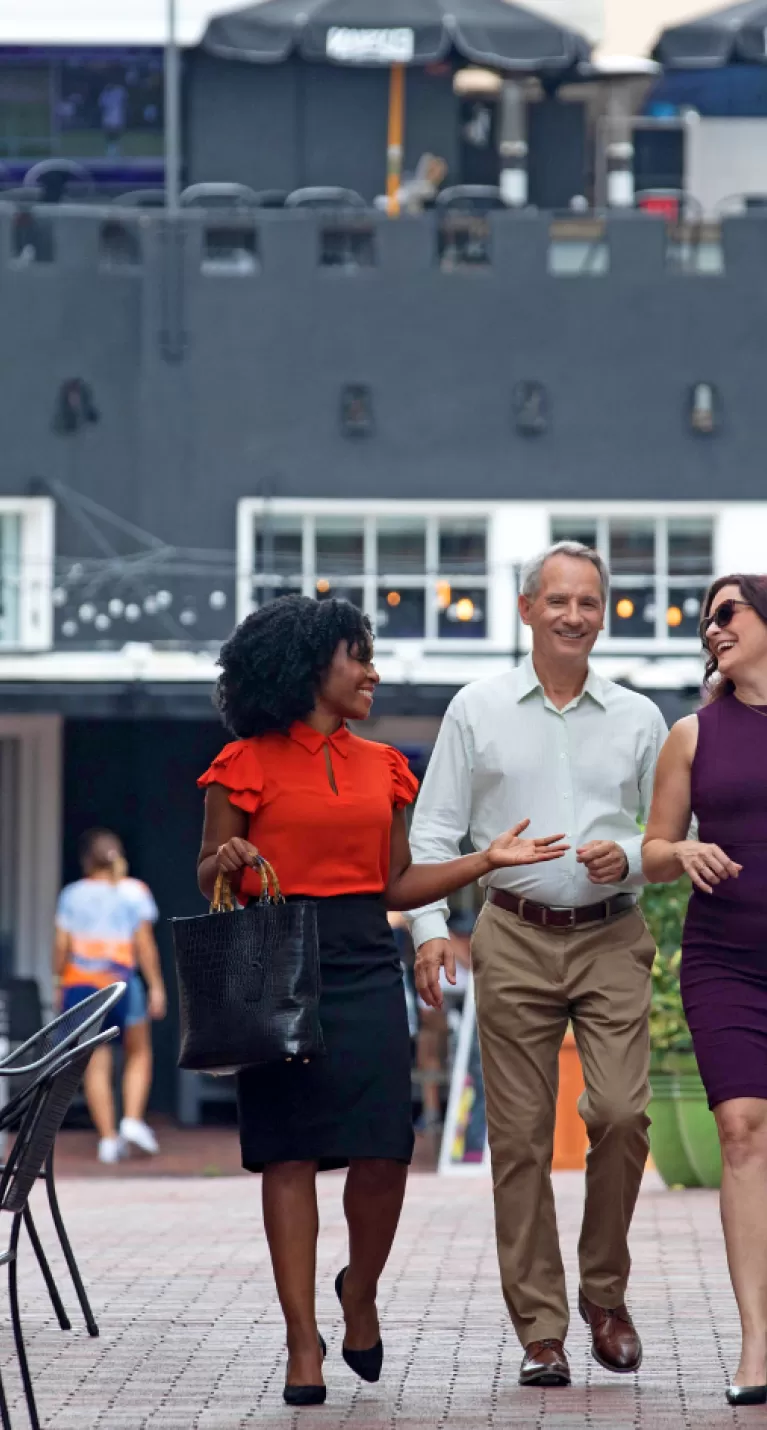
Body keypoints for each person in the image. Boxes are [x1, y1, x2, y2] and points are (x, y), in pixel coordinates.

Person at [196, 594, 569, 1408]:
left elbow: (396, 882)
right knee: (287, 1153)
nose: (372, 671)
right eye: (357, 656)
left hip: (365, 957)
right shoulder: (243, 764)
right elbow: (206, 875)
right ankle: (302, 1343)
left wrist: (484, 861)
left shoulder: (385, 767)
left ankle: (357, 1290)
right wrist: (227, 858)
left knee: (382, 1152)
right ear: (308, 668)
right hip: (275, 957)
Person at [409, 541, 668, 1388]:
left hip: (610, 935)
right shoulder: (475, 709)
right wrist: (430, 931)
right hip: (511, 935)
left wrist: (624, 857)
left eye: (587, 602)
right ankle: (541, 1330)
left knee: (622, 1115)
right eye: (555, 601)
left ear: (603, 612)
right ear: (525, 610)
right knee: (517, 1142)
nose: (572, 616)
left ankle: (605, 1294)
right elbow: (430, 835)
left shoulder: (638, 717)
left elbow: (662, 841)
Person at [642, 573, 767, 1408]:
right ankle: (758, 1341)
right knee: (740, 1128)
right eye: (704, 621)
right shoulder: (691, 734)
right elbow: (651, 845)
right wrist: (681, 854)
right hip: (724, 957)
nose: (711, 629)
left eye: (726, 613)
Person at [54, 829, 167, 1164]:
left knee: (95, 1063)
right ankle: (132, 1120)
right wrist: (156, 985)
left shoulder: (72, 894)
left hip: (81, 985)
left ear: (87, 860)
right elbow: (144, 943)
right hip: (122, 983)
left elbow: (61, 946)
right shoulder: (134, 891)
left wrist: (58, 978)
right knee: (138, 1053)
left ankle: (107, 1139)